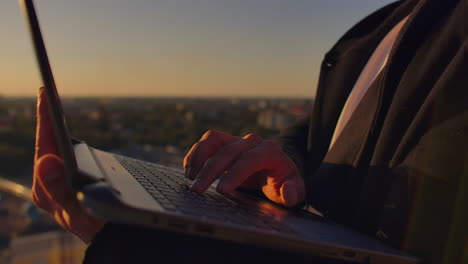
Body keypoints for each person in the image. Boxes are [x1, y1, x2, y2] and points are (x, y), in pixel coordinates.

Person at [32, 0, 467, 263]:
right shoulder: (382, 27)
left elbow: (431, 221)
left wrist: (139, 243)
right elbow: (317, 130)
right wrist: (281, 160)